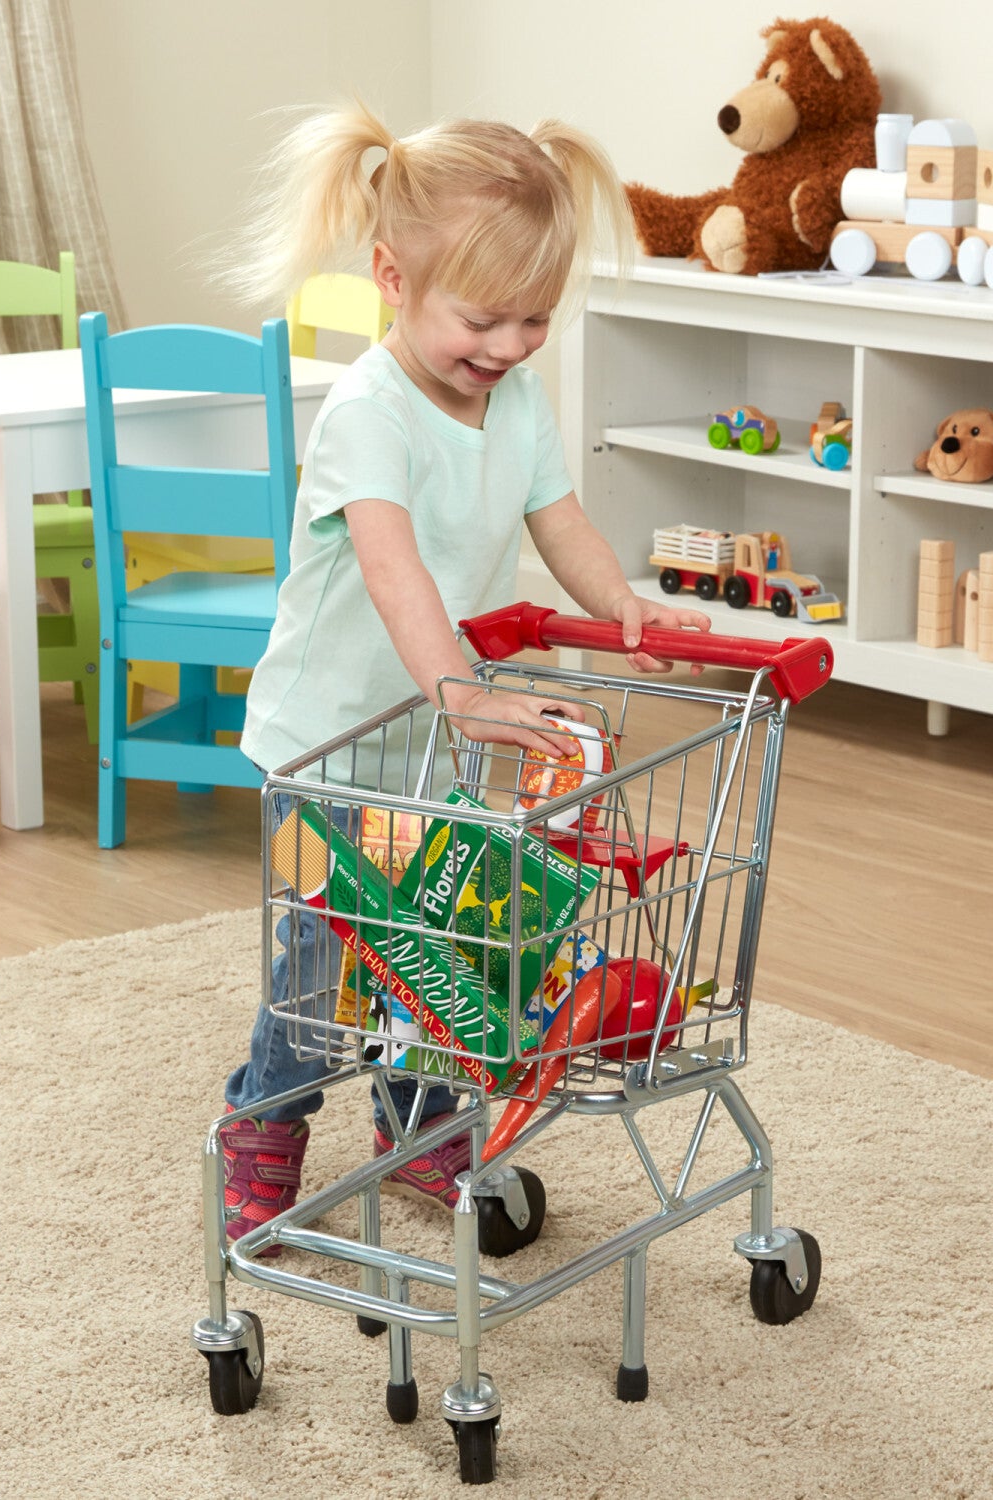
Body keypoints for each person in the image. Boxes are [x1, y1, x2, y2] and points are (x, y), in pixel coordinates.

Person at [220, 102, 710, 1251]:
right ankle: (263, 1126)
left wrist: (624, 604)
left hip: (436, 747)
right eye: (482, 319)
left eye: (536, 320)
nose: (508, 346)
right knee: (323, 975)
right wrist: (466, 693)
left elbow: (561, 520)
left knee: (440, 955)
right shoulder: (364, 413)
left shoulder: (521, 401)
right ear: (393, 277)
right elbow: (393, 573)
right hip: (327, 746)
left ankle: (420, 1128)